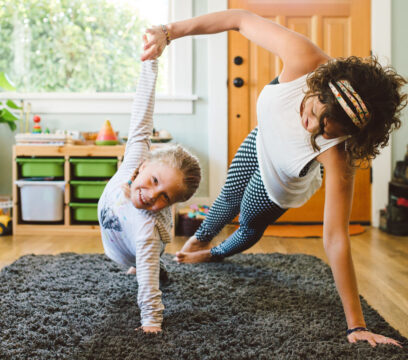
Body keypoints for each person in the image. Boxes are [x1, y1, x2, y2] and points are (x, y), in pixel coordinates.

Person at [140, 10, 407, 346]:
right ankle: (200, 240)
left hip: (281, 179)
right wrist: (169, 31)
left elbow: (336, 237)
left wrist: (356, 325)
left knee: (249, 222)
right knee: (226, 197)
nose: (311, 126)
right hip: (262, 138)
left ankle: (216, 253)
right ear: (318, 85)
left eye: (325, 131)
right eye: (312, 112)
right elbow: (238, 18)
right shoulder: (305, 58)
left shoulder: (340, 155)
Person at [98, 55, 201, 333]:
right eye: (154, 180)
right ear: (144, 163)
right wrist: (150, 64)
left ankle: (156, 266)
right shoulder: (135, 159)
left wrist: (151, 322)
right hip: (118, 241)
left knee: (148, 269)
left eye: (165, 197)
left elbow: (148, 288)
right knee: (146, 263)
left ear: (170, 205)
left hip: (135, 250)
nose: (151, 195)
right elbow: (142, 114)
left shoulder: (146, 232)